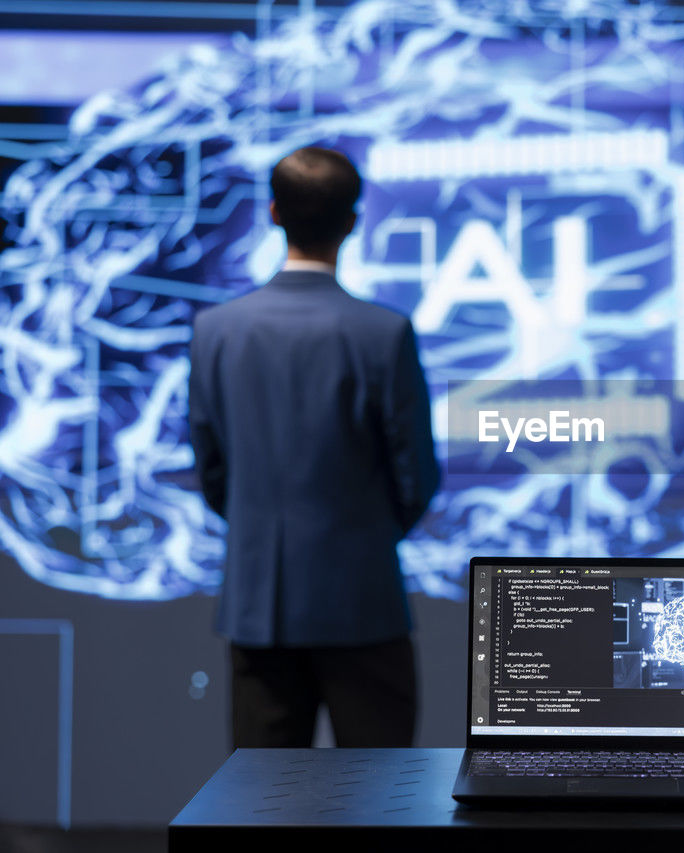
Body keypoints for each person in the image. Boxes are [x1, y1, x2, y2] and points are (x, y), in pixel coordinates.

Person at [188, 147, 440, 748]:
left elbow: (212, 469)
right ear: (353, 221)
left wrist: (257, 528)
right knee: (382, 804)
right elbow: (417, 477)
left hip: (259, 608)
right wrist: (365, 535)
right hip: (363, 601)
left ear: (273, 212)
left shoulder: (216, 330)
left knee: (263, 809)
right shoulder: (384, 333)